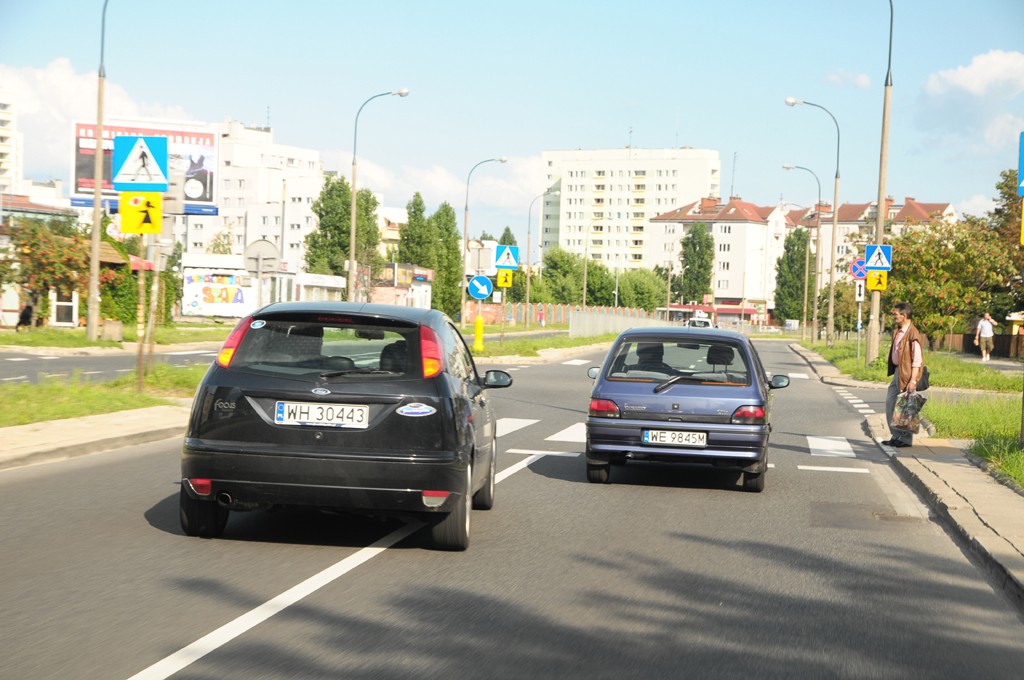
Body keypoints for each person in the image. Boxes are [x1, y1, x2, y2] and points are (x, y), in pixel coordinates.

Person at [884, 302, 933, 447]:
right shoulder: (900, 331)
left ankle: (905, 439)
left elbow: (917, 359)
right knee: (891, 403)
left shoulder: (912, 333)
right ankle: (896, 435)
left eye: (895, 314)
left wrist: (913, 380)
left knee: (906, 407)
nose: (893, 316)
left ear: (904, 315)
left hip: (907, 373)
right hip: (899, 371)